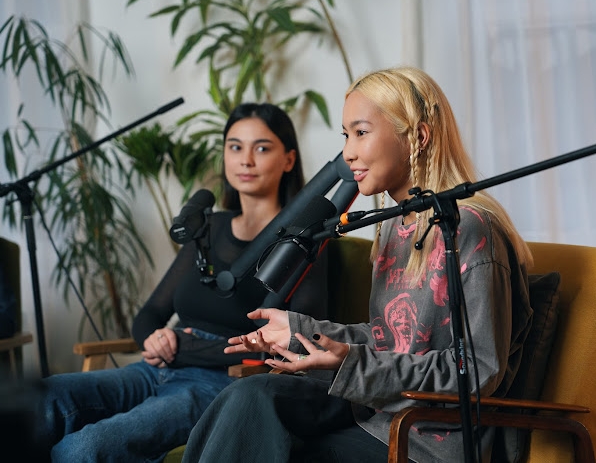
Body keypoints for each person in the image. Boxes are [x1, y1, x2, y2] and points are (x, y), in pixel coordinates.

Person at [181, 67, 534, 463]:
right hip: (375, 413)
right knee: (249, 396)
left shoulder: (469, 230)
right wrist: (301, 332)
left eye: (361, 133)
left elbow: (477, 372)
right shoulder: (394, 225)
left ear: (417, 137)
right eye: (345, 136)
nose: (348, 153)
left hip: (422, 441)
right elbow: (391, 339)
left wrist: (352, 363)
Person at [35, 102, 328, 462]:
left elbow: (299, 343)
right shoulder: (209, 227)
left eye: (262, 148)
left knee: (82, 449)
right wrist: (155, 339)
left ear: (289, 160)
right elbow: (149, 314)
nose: (246, 160)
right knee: (42, 399)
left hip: (223, 383)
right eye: (235, 147)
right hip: (157, 367)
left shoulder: (304, 241)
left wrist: (189, 348)